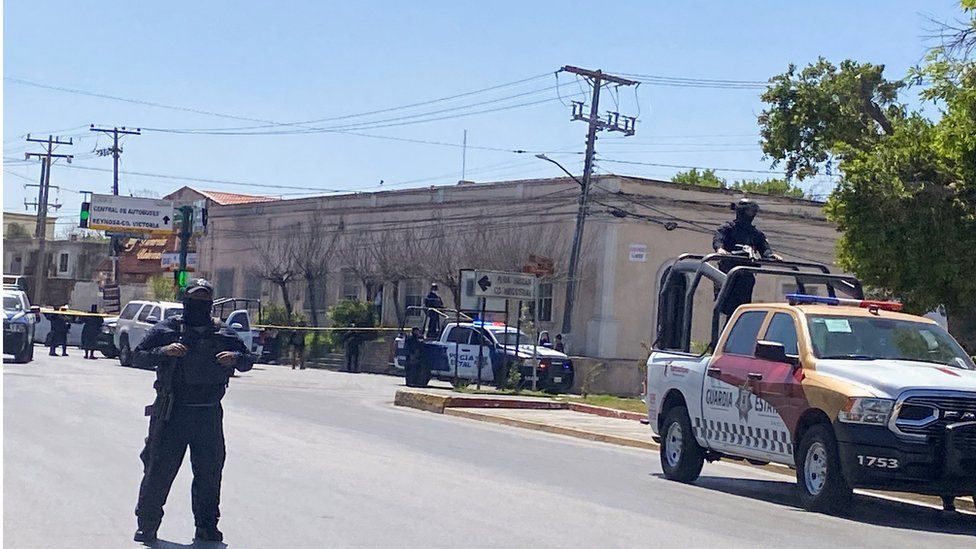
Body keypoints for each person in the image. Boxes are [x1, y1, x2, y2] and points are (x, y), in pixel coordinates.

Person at [132, 278, 253, 544]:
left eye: (203, 302)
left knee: (209, 473)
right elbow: (138, 355)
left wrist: (236, 359)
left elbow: (248, 360)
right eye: (194, 301)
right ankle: (147, 524)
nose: (198, 306)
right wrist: (164, 351)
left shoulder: (222, 333)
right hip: (173, 411)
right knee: (159, 470)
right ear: (186, 302)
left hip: (208, 414)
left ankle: (207, 527)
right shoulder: (169, 329)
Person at [712, 198, 781, 316]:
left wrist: (770, 255)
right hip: (728, 275)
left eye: (753, 212)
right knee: (727, 309)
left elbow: (765, 249)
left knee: (741, 311)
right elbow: (718, 240)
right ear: (741, 212)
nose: (752, 215)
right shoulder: (727, 228)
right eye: (749, 211)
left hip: (746, 277)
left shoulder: (756, 234)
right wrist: (720, 249)